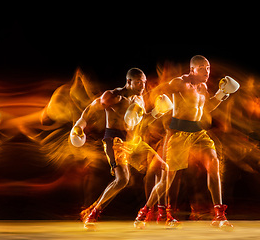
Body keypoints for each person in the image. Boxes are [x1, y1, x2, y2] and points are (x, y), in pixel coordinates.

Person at [141, 55, 238, 230]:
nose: (206, 71)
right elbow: (157, 91)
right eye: (201, 68)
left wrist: (222, 94)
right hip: (178, 133)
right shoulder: (179, 82)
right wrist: (150, 111)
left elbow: (206, 107)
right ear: (192, 69)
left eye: (207, 67)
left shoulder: (203, 86)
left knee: (214, 163)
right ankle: (145, 211)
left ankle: (219, 214)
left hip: (198, 133)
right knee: (167, 180)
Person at [70, 68, 171, 229]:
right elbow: (91, 108)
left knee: (164, 168)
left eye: (144, 83)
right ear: (129, 81)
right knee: (122, 179)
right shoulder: (113, 96)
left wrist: (158, 112)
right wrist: (79, 127)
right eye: (139, 82)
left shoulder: (139, 100)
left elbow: (142, 120)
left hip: (134, 142)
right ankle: (94, 212)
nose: (142, 86)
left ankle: (146, 212)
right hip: (115, 141)